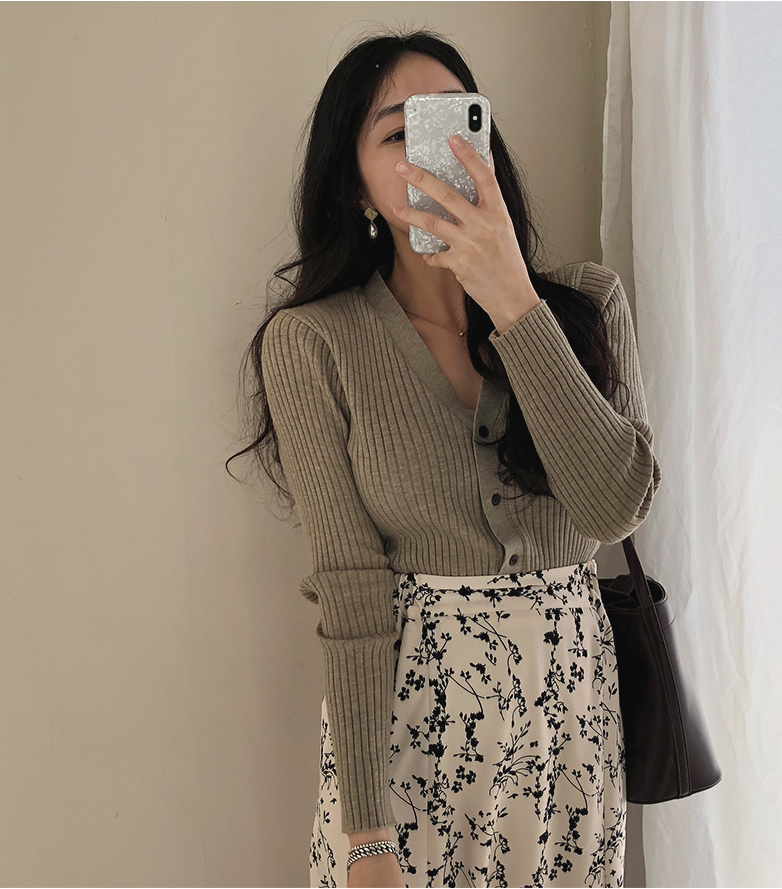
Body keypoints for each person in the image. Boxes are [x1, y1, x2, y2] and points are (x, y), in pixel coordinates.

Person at [227, 27, 661, 889]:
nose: (442, 152)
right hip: (414, 741)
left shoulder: (589, 305)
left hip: (569, 733)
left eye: (462, 120)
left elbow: (615, 508)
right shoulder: (314, 342)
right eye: (401, 132)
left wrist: (512, 298)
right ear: (355, 184)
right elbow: (351, 588)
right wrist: (365, 835)